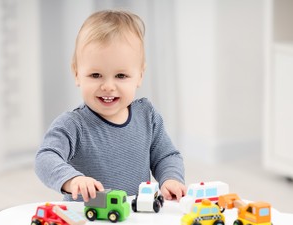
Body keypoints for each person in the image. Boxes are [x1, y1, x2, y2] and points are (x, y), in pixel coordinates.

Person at [35, 9, 186, 202]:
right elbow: (45, 158)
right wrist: (72, 180)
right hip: (88, 220)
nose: (107, 86)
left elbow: (166, 156)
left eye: (121, 76)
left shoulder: (147, 116)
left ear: (139, 75)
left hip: (135, 216)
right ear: (76, 74)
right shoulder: (72, 125)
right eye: (95, 75)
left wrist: (171, 179)